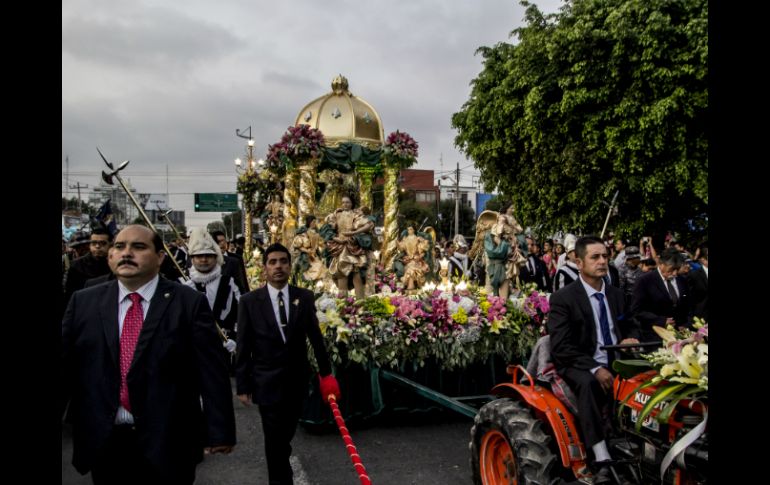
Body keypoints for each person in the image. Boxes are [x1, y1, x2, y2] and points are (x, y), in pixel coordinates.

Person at [62, 225, 236, 485]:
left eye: (139, 247)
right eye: (119, 246)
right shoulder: (84, 302)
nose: (127, 253)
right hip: (106, 440)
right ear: (110, 256)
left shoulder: (187, 303)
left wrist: (220, 429)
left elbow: (211, 370)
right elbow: (65, 367)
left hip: (169, 439)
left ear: (160, 257)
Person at [236, 243, 340, 485]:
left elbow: (315, 338)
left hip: (296, 381)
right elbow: (243, 345)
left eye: (283, 261)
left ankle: (282, 469)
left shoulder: (303, 297)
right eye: (272, 262)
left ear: (290, 266)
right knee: (274, 441)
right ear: (265, 268)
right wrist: (243, 385)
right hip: (266, 382)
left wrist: (326, 376)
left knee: (284, 436)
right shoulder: (249, 302)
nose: (278, 266)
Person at [548, 236, 640, 484]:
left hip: (616, 360)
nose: (602, 262)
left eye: (605, 257)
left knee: (648, 381)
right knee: (589, 384)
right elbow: (560, 347)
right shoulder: (564, 298)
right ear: (578, 262)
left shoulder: (616, 295)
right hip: (578, 362)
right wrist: (595, 368)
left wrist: (631, 339)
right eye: (595, 257)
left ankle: (639, 445)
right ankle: (601, 456)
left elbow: (631, 325)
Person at [183, 228, 241, 369]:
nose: (204, 259)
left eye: (208, 255)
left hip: (222, 351)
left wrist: (235, 338)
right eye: (199, 256)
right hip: (192, 353)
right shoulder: (185, 287)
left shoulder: (229, 283)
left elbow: (240, 314)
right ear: (192, 259)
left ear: (216, 257)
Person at [630, 247, 690, 342]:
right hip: (654, 335)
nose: (675, 273)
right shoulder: (645, 281)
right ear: (661, 264)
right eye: (672, 269)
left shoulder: (681, 280)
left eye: (677, 269)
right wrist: (661, 321)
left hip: (680, 337)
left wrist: (685, 325)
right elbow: (636, 310)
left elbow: (688, 306)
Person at [320, 195, 374, 299]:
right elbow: (326, 228)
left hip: (353, 245)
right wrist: (335, 239)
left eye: (347, 202)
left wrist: (353, 233)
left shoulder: (356, 214)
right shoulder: (336, 214)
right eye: (343, 202)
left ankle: (360, 302)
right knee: (341, 273)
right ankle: (343, 304)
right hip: (339, 246)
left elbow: (368, 224)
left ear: (352, 203)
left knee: (357, 273)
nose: (345, 204)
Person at [291, 215, 327, 285]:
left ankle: (315, 286)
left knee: (319, 267)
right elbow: (298, 245)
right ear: (309, 222)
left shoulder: (316, 233)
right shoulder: (303, 233)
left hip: (314, 256)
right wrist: (306, 251)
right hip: (305, 256)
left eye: (315, 222)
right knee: (304, 269)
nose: (314, 223)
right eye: (313, 222)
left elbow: (321, 243)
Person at [397, 226, 431, 290]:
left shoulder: (417, 239)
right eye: (408, 229)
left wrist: (423, 241)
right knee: (410, 267)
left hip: (418, 261)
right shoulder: (405, 239)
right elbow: (401, 248)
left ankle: (408, 283)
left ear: (414, 230)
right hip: (409, 260)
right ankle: (410, 284)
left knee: (411, 269)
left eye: (411, 229)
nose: (409, 230)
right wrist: (397, 242)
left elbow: (425, 249)